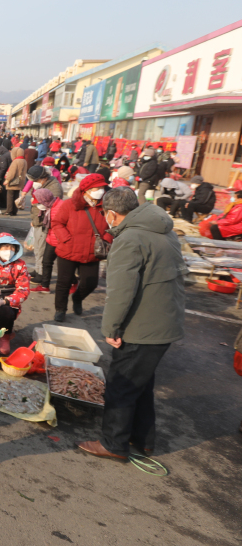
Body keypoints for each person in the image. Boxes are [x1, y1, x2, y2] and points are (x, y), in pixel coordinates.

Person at [76, 187, 186, 460]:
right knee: (142, 382)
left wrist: (111, 328)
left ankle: (114, 443)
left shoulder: (130, 239)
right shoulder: (163, 229)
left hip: (143, 326)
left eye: (105, 215)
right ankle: (143, 439)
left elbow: (121, 291)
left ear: (112, 214)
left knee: (122, 384)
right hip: (166, 321)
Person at [49, 173, 111, 322]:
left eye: (102, 188)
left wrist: (107, 240)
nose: (100, 191)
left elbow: (112, 227)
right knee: (63, 283)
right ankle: (60, 309)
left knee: (90, 283)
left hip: (92, 252)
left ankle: (77, 297)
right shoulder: (70, 204)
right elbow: (57, 223)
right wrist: (65, 239)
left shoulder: (106, 207)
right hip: (68, 250)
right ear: (86, 190)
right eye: (96, 188)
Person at [29, 188, 59, 294]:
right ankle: (43, 281)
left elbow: (58, 228)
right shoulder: (48, 208)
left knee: (45, 259)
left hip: (54, 239)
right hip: (51, 236)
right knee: (44, 258)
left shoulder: (55, 209)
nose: (38, 206)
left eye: (39, 203)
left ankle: (42, 279)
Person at [4, 148, 27, 216]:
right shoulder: (24, 161)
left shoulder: (15, 161)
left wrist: (7, 180)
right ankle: (14, 211)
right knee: (16, 196)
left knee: (10, 196)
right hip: (20, 181)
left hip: (13, 182)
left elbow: (12, 172)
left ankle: (9, 210)